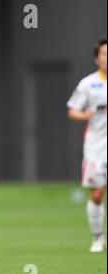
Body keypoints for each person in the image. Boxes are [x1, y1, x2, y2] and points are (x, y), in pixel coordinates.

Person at [67, 37, 107, 253]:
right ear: (97, 59)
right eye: (105, 54)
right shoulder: (88, 84)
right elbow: (72, 110)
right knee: (97, 193)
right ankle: (98, 237)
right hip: (96, 146)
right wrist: (83, 115)